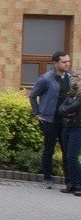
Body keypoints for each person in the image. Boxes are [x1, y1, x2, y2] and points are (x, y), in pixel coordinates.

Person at [29, 51, 72, 189]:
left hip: (65, 121)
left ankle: (69, 181)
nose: (67, 64)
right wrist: (37, 114)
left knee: (67, 150)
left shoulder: (70, 79)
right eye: (64, 62)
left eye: (68, 61)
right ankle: (47, 179)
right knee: (49, 149)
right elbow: (32, 96)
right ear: (55, 63)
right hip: (49, 119)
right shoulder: (46, 79)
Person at [55, 74, 81, 196]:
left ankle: (78, 185)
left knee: (72, 157)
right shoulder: (72, 93)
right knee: (67, 157)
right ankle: (71, 184)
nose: (74, 80)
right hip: (66, 127)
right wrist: (67, 111)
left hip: (77, 128)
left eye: (76, 77)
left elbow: (76, 106)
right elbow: (61, 108)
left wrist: (66, 110)